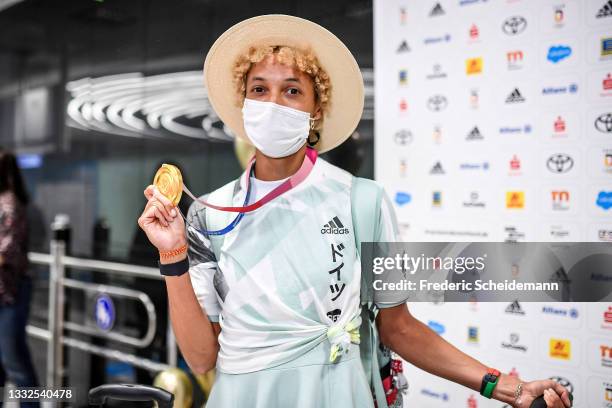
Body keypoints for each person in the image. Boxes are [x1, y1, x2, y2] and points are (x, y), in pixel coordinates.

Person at [137, 15, 572, 408]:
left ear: (315, 110)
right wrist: (172, 255)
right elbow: (199, 357)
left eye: (292, 90)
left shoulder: (362, 200)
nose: (273, 103)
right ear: (244, 105)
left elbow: (398, 328)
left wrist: (506, 387)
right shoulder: (209, 215)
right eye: (259, 90)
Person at [0, 147, 39, 407]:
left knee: (14, 360)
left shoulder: (9, 203)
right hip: (5, 291)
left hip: (11, 291)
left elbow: (7, 252)